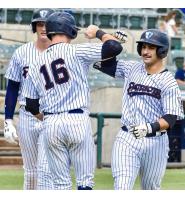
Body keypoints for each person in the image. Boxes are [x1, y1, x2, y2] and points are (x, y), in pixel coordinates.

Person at [22, 11, 122, 190]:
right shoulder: (77, 50)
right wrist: (98, 32)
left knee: (60, 184)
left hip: (51, 123)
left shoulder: (36, 62)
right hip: (77, 120)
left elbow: (30, 104)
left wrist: (46, 118)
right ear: (70, 30)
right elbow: (114, 47)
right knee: (84, 182)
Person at [94, 29, 184, 189]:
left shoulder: (169, 82)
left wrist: (149, 128)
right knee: (121, 186)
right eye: (143, 47)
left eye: (150, 47)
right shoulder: (132, 68)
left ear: (161, 50)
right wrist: (111, 43)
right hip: (127, 137)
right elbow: (106, 65)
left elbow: (170, 118)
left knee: (150, 188)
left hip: (156, 141)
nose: (145, 51)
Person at [4, 8, 54, 190]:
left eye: (47, 24)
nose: (43, 28)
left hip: (51, 116)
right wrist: (8, 119)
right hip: (27, 115)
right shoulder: (22, 52)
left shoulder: (62, 52)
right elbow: (12, 87)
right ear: (34, 27)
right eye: (40, 24)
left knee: (46, 169)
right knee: (31, 171)